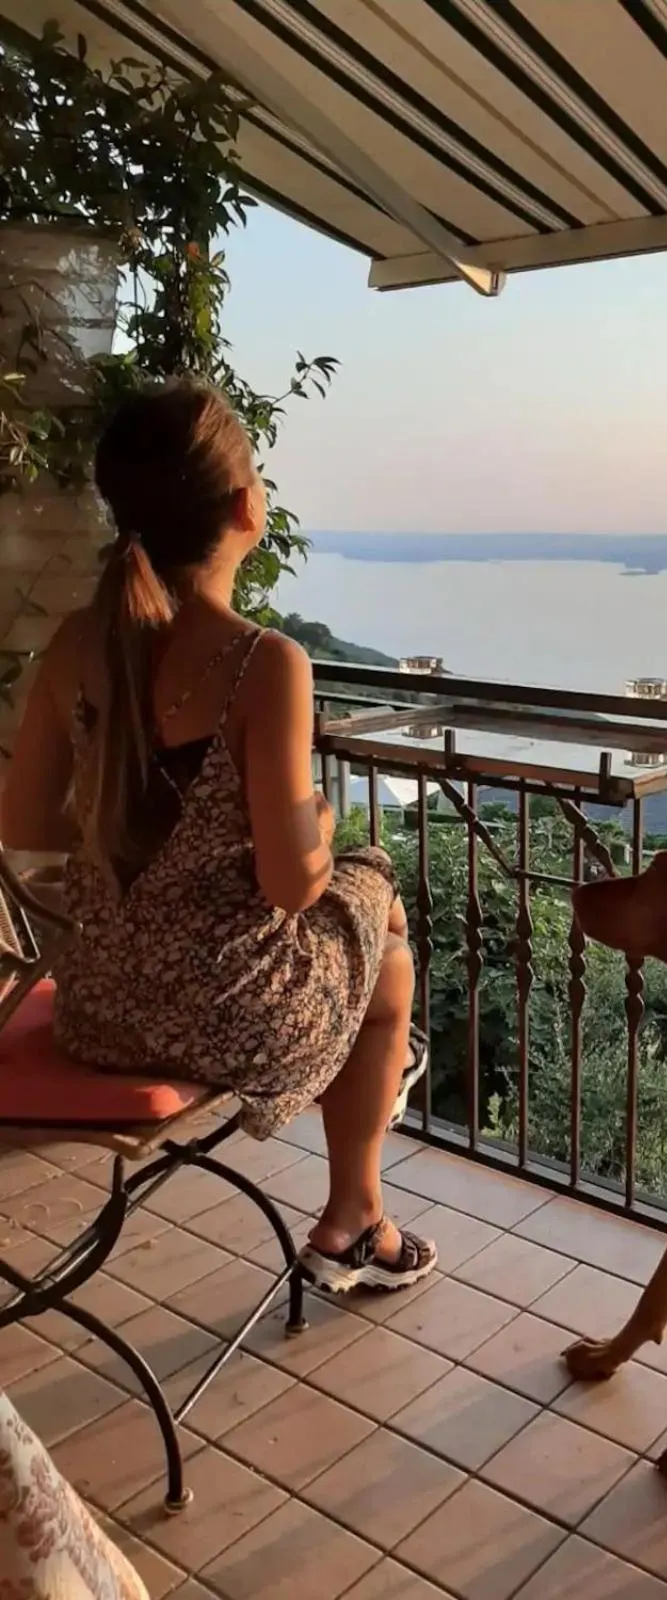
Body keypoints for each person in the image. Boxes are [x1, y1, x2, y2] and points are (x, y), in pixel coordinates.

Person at [0, 378, 435, 1294]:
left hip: (94, 1008)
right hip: (224, 1017)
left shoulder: (78, 644)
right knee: (382, 924)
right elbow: (291, 888)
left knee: (369, 927)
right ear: (246, 505)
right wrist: (317, 822)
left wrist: (125, 834)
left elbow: (24, 826)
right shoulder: (264, 663)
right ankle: (356, 1211)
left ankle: (366, 1181)